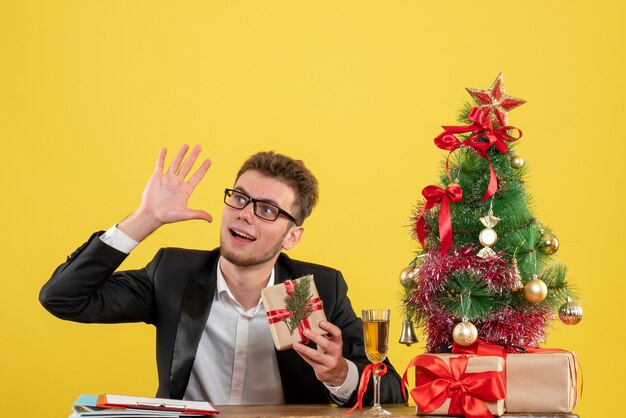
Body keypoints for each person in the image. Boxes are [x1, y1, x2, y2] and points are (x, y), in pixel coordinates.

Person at [40, 144, 405, 406]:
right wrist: (146, 218)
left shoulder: (319, 288)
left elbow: (392, 389)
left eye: (266, 209)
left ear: (291, 236)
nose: (245, 214)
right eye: (240, 198)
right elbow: (62, 297)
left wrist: (340, 374)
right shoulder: (173, 274)